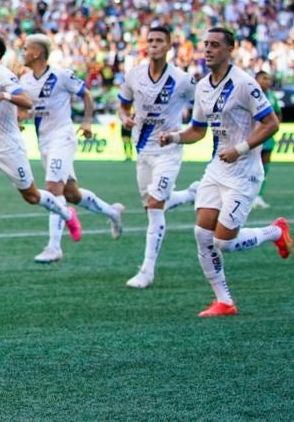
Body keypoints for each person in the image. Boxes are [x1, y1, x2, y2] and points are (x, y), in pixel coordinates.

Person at [158, 28, 289, 317]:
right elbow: (197, 131)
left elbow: (271, 123)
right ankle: (224, 302)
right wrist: (175, 137)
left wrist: (240, 149)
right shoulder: (203, 86)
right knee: (202, 234)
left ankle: (275, 231)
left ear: (230, 49)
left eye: (215, 45)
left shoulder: (244, 83)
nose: (207, 49)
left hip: (243, 172)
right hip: (217, 169)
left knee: (224, 242)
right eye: (205, 44)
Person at [0, 31, 81, 270]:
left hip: (11, 146)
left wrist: (4, 95)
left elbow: (27, 102)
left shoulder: (4, 75)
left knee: (32, 196)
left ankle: (67, 213)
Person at [19, 34, 124, 264]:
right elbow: (25, 108)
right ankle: (113, 213)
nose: (22, 52)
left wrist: (86, 121)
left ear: (37, 53)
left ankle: (54, 247)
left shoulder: (61, 75)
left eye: (26, 49)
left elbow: (85, 94)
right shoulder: (25, 80)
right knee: (71, 194)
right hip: (44, 141)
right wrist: (19, 119)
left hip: (63, 137)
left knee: (52, 186)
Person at [118, 26, 200, 288]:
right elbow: (122, 103)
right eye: (150, 40)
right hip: (142, 149)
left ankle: (147, 270)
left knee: (155, 207)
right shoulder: (134, 75)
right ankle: (190, 195)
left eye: (159, 41)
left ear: (168, 46)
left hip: (168, 150)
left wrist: (183, 132)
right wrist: (125, 118)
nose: (153, 44)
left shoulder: (183, 79)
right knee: (151, 205)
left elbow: (202, 105)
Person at [252, 70, 281, 208]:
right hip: (252, 136)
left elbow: (278, 114)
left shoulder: (272, 97)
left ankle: (259, 196)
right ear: (256, 80)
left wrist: (273, 128)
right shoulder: (250, 94)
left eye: (268, 79)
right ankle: (249, 195)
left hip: (268, 137)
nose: (267, 81)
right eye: (264, 78)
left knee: (264, 165)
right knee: (251, 165)